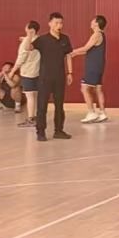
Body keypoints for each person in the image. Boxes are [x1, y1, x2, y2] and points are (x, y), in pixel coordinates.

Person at [24, 12, 74, 141]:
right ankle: (40, 132)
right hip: (45, 78)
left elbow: (68, 55)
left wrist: (70, 72)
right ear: (50, 24)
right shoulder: (42, 40)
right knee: (42, 105)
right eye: (56, 23)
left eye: (61, 23)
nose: (59, 25)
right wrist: (29, 36)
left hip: (60, 77)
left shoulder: (65, 39)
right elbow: (28, 48)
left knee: (59, 105)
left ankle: (59, 130)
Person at [72, 15, 108, 124]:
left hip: (93, 66)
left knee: (84, 88)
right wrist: (74, 54)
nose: (91, 22)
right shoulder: (101, 34)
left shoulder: (96, 34)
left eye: (93, 20)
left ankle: (91, 112)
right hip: (99, 65)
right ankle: (102, 113)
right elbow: (87, 51)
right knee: (98, 89)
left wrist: (71, 51)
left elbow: (86, 48)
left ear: (96, 23)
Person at [10, 21, 42, 127]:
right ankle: (36, 117)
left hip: (28, 72)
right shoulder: (40, 40)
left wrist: (13, 71)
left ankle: (31, 119)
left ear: (30, 29)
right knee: (35, 95)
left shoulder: (26, 43)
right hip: (38, 71)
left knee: (29, 96)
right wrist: (24, 38)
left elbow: (21, 58)